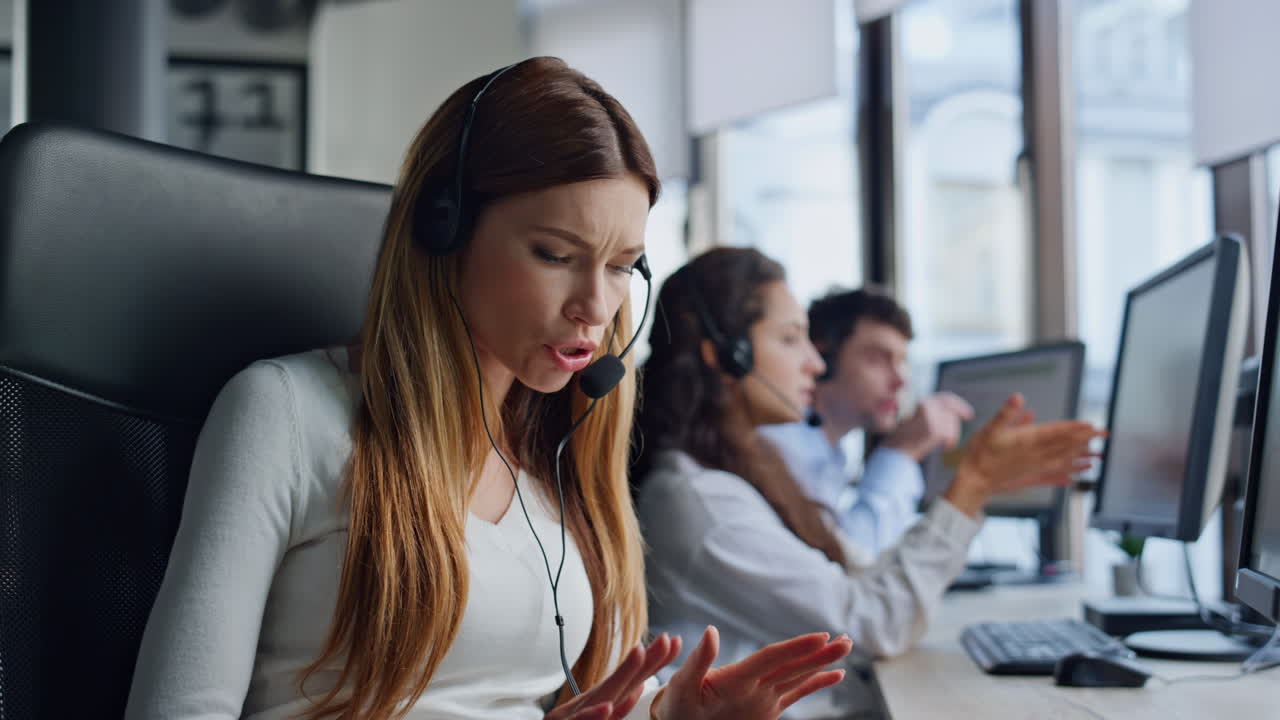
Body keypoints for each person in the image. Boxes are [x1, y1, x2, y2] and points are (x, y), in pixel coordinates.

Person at [124, 58, 851, 720]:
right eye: (556, 254)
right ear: (445, 229)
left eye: (621, 267)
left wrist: (664, 714)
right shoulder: (285, 413)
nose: (595, 308)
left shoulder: (561, 452)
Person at [633, 247, 1102, 712]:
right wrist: (972, 485)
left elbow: (857, 573)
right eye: (791, 339)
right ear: (727, 356)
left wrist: (972, 490)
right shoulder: (702, 502)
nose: (815, 364)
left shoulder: (746, 470)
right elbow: (873, 622)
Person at [758, 288, 975, 565]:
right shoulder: (778, 447)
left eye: (902, 362)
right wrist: (900, 452)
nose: (900, 381)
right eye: (877, 359)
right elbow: (851, 567)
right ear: (825, 360)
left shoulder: (829, 454)